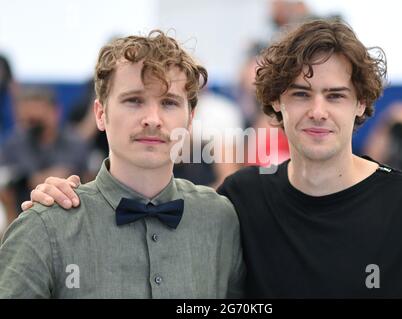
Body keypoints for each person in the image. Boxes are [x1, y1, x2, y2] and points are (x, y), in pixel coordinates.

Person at [21, 20, 402, 298]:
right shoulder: (243, 200)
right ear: (277, 103)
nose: (318, 110)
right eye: (301, 93)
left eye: (335, 95)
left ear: (361, 104)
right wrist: (56, 203)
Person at [0, 31, 245, 298]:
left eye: (169, 102)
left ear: (189, 120)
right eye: (134, 100)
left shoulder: (222, 220)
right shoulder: (45, 226)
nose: (153, 119)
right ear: (100, 114)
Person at [0, 86, 89, 227]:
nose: (30, 125)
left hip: (69, 218)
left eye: (36, 119)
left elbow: (70, 175)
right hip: (23, 219)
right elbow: (5, 182)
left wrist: (28, 180)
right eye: (26, 120)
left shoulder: (73, 141)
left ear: (55, 112)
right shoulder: (15, 143)